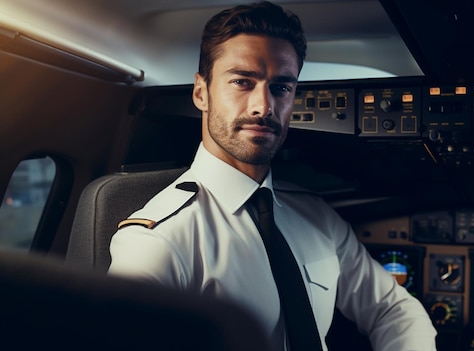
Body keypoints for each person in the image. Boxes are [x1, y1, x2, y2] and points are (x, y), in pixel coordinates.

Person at [108, 1, 437, 350]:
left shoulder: (315, 214)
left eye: (280, 87)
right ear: (201, 92)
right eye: (241, 82)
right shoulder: (158, 241)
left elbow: (394, 309)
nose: (263, 107)